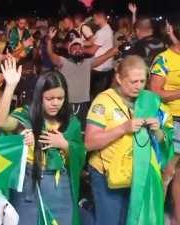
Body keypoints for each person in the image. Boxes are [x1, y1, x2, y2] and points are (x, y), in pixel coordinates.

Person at [0, 57, 86, 225]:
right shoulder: (26, 115)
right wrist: (10, 86)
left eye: (60, 98)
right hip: (30, 186)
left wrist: (65, 145)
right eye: (49, 99)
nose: (55, 103)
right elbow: (0, 122)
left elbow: (81, 154)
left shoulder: (72, 123)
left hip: (61, 189)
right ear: (39, 97)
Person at [85, 55, 172, 225]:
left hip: (138, 175)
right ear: (119, 78)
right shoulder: (104, 101)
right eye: (133, 82)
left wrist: (158, 131)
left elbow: (164, 142)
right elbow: (89, 142)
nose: (138, 86)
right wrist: (122, 129)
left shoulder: (149, 101)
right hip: (107, 176)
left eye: (142, 81)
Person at [46, 27, 118, 129]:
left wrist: (119, 47)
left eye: (80, 48)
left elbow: (107, 55)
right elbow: (50, 54)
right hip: (66, 104)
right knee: (65, 130)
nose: (78, 50)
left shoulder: (88, 63)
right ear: (69, 52)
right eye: (74, 48)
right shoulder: (63, 62)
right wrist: (49, 40)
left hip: (83, 105)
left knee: (81, 131)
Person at [149, 18, 180, 225]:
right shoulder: (164, 59)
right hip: (172, 122)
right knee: (167, 172)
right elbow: (154, 93)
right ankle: (156, 218)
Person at [84, 9, 114, 99]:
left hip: (100, 70)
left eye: (95, 18)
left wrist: (79, 50)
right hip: (105, 68)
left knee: (96, 97)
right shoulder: (105, 29)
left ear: (100, 18)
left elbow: (92, 51)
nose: (94, 20)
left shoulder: (102, 32)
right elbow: (91, 42)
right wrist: (79, 42)